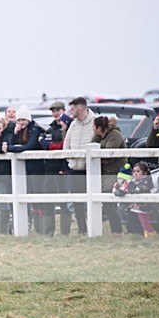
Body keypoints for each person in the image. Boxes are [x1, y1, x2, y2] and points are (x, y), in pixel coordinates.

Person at [7, 107, 46, 234]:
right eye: (19, 120)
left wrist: (11, 148)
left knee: (37, 196)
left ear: (28, 119)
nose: (21, 122)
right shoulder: (19, 130)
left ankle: (42, 227)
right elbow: (11, 143)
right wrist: (14, 133)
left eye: (23, 119)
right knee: (28, 197)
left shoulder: (34, 129)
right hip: (26, 169)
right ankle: (35, 227)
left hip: (37, 168)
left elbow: (29, 146)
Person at [63, 97, 95, 234]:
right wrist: (71, 160)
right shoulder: (73, 125)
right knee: (77, 202)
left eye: (72, 109)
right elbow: (66, 144)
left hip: (89, 170)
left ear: (79, 109)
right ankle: (82, 229)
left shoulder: (94, 123)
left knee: (92, 201)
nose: (70, 112)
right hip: (74, 169)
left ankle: (94, 228)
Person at [40, 101, 73, 235]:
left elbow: (59, 145)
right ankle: (49, 232)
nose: (55, 113)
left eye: (58, 110)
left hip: (62, 170)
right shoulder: (50, 128)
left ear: (64, 110)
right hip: (49, 169)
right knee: (48, 201)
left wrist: (48, 144)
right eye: (53, 111)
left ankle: (65, 233)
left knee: (64, 203)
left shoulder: (69, 127)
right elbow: (43, 142)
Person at [92, 115, 127, 235]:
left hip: (115, 172)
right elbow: (91, 150)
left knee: (109, 202)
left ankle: (117, 230)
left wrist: (99, 156)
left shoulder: (115, 135)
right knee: (106, 203)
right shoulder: (97, 137)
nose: (93, 129)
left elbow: (109, 155)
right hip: (104, 172)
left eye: (94, 126)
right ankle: (115, 230)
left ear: (99, 127)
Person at [114, 162, 156, 237]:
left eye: (138, 171)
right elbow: (121, 191)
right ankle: (135, 235)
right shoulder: (132, 182)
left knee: (145, 224)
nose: (135, 173)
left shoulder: (147, 181)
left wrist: (129, 187)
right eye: (134, 171)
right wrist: (118, 189)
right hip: (133, 207)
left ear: (145, 172)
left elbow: (138, 189)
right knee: (132, 222)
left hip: (143, 207)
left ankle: (150, 235)